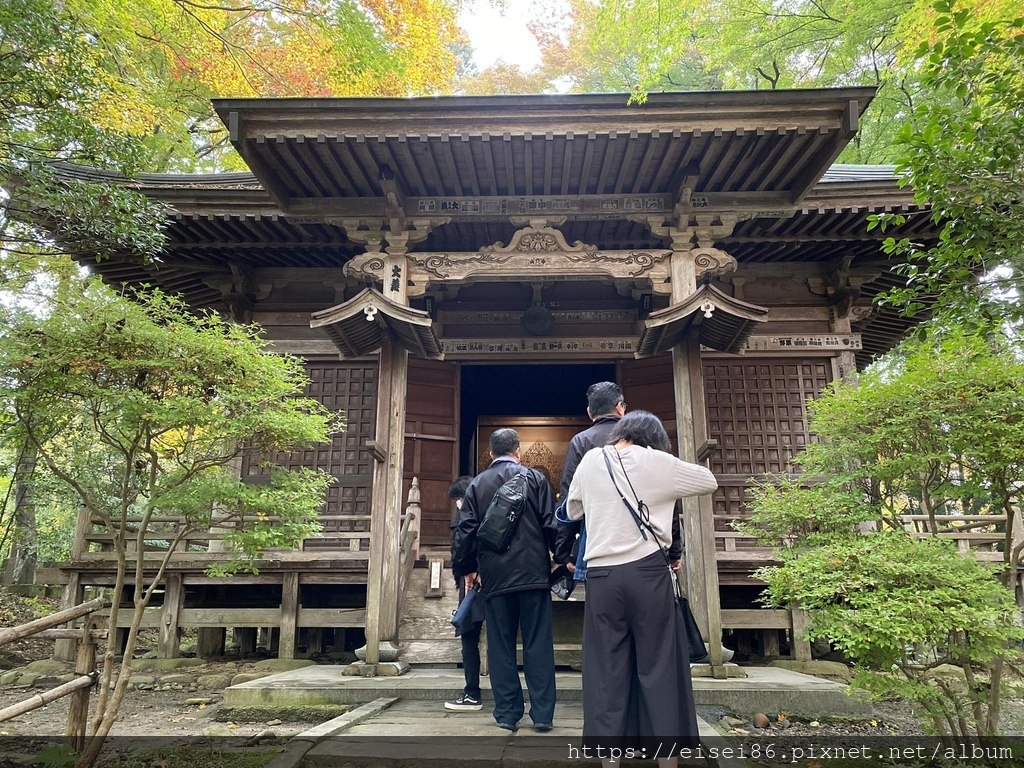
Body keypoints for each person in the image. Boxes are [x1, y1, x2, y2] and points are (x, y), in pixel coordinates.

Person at [566, 410, 718, 766]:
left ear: (621, 431)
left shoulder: (590, 459)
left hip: (602, 576)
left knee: (605, 667)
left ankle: (609, 761)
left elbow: (573, 510)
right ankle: (666, 760)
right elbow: (707, 481)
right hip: (648, 573)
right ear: (654, 437)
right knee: (659, 663)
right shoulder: (660, 461)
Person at [452, 428, 558, 732]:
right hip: (534, 573)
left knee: (500, 645)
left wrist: (468, 569)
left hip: (495, 576)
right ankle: (542, 715)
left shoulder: (477, 485)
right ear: (518, 451)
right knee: (538, 642)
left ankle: (508, 714)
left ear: (490, 453)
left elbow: (465, 532)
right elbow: (551, 523)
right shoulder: (536, 479)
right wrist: (559, 555)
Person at [554, 382, 684, 582]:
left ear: (590, 412)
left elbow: (569, 498)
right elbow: (669, 495)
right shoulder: (644, 438)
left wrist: (563, 552)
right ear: (619, 407)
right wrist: (675, 550)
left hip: (599, 544)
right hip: (647, 543)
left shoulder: (581, 442)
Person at [446, 475, 484, 712]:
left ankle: (472, 692)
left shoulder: (464, 518)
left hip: (471, 582)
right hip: (494, 577)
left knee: (469, 638)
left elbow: (460, 548)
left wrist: (467, 571)